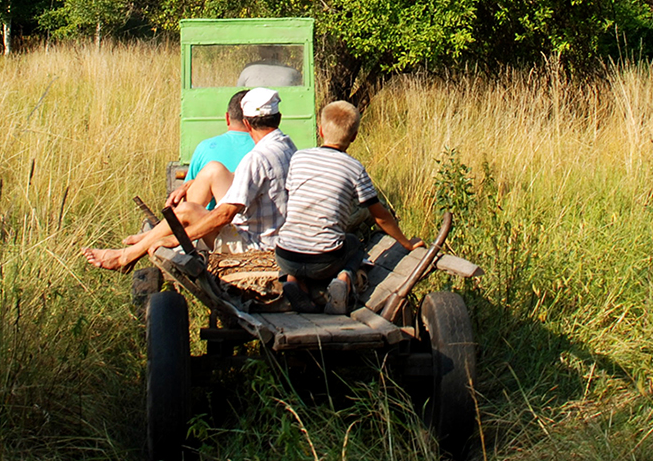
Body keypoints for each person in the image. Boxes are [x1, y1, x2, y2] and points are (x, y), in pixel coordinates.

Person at [84, 87, 297, 272]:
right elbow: (245, 181)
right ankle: (150, 239)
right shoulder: (286, 145)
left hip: (254, 244)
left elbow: (224, 215)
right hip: (269, 233)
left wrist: (177, 237)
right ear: (278, 119)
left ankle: (126, 256)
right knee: (213, 169)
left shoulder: (256, 158)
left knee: (187, 210)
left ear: (247, 123)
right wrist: (190, 184)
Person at [273, 100, 419, 315]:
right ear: (354, 136)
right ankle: (344, 279)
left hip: (285, 255)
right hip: (324, 261)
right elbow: (380, 216)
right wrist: (407, 243)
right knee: (353, 243)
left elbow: (291, 194)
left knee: (297, 242)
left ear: (320, 130)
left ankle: (293, 282)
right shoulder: (354, 168)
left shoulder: (299, 158)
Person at [168, 91, 254, 212]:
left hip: (208, 220)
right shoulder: (267, 148)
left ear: (227, 118)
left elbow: (190, 193)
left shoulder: (205, 147)